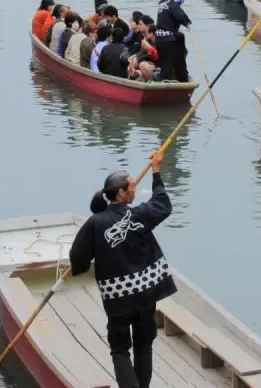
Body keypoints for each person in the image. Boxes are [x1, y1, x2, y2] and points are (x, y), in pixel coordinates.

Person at [69, 150, 175, 388]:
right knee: (143, 345)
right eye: (131, 186)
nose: (134, 189)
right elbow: (163, 204)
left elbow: (77, 256)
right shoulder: (141, 215)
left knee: (120, 350)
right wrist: (156, 172)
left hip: (118, 298)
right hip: (145, 294)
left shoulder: (96, 223)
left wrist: (82, 266)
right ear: (121, 192)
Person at [154, 0, 190, 81]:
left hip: (159, 37)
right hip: (167, 38)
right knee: (169, 62)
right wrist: (187, 22)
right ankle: (170, 77)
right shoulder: (173, 5)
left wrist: (177, 6)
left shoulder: (161, 2)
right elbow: (182, 18)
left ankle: (172, 75)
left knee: (164, 61)